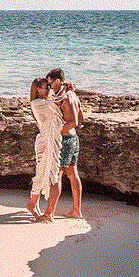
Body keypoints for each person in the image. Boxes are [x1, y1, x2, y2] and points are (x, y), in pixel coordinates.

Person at [45, 68, 84, 219]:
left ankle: (49, 213)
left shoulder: (66, 98)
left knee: (57, 174)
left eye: (51, 83)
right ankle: (76, 211)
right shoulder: (73, 95)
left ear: (58, 81)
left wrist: (57, 131)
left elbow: (74, 121)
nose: (50, 87)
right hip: (73, 139)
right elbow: (81, 118)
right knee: (73, 175)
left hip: (66, 140)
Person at [26, 77, 62, 222]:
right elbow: (58, 103)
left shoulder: (48, 99)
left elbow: (58, 100)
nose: (44, 90)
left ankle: (33, 203)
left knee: (48, 171)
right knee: (42, 171)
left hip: (52, 140)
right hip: (43, 141)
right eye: (41, 87)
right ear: (36, 89)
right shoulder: (37, 103)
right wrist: (66, 89)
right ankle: (32, 203)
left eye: (46, 87)